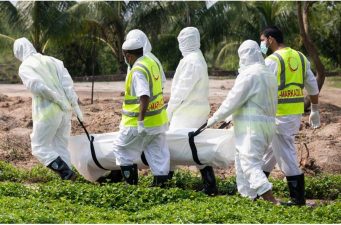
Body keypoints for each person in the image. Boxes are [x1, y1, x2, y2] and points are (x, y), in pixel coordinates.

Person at [207, 40, 278, 204]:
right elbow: (255, 101)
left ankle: (271, 200)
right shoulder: (268, 73)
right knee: (241, 163)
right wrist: (231, 117)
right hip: (265, 126)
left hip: (252, 129)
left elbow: (233, 100)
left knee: (249, 164)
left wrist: (214, 118)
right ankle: (248, 199)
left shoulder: (249, 74)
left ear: (245, 56)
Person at [260, 26, 320, 206]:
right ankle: (256, 188)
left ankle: (297, 199)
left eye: (262, 40)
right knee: (271, 152)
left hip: (279, 116)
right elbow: (312, 85)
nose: (261, 44)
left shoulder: (272, 60)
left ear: (270, 39)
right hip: (294, 114)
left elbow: (262, 89)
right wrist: (315, 109)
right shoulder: (300, 57)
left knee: (285, 155)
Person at [13, 37, 83, 180]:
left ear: (19, 52)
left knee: (39, 147)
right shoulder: (54, 61)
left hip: (47, 113)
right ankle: (70, 181)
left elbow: (37, 86)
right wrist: (75, 108)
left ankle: (66, 173)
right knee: (61, 146)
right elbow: (68, 85)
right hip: (66, 111)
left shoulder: (25, 66)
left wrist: (57, 100)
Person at [166, 27, 218, 196]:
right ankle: (209, 184)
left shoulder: (192, 61)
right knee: (194, 147)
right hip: (194, 110)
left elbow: (181, 91)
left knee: (172, 145)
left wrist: (169, 111)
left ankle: (164, 182)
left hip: (186, 112)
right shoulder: (196, 58)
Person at [112, 38, 170, 187]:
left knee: (121, 149)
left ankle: (131, 187)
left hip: (138, 123)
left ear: (129, 55)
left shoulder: (137, 70)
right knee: (157, 153)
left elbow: (144, 96)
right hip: (158, 121)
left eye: (125, 56)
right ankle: (160, 186)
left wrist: (140, 122)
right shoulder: (151, 63)